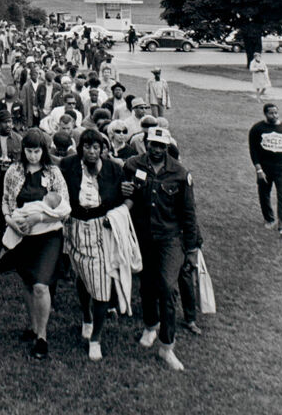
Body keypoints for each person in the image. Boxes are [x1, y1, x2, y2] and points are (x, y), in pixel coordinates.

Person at [122, 126, 199, 371]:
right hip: (143, 236)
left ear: (168, 147)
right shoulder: (132, 165)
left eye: (161, 146)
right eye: (152, 144)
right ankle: (150, 325)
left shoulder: (179, 172)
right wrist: (122, 190)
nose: (156, 149)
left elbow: (188, 212)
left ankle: (167, 346)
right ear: (146, 143)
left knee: (166, 287)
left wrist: (192, 247)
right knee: (146, 284)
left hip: (170, 238)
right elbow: (124, 195)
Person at [60, 129, 134, 361]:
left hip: (101, 229)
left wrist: (117, 216)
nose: (92, 152)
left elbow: (129, 198)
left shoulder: (114, 170)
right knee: (82, 278)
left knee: (102, 286)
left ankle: (96, 339)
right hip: (74, 228)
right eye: (87, 147)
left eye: (96, 147)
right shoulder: (68, 165)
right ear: (80, 148)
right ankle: (86, 318)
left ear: (103, 149)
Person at [1, 128, 70, 360]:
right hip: (23, 236)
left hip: (48, 236)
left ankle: (42, 336)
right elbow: (6, 203)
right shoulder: (14, 171)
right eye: (29, 151)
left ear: (44, 151)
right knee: (29, 283)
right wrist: (12, 222)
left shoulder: (53, 173)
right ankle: (32, 326)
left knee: (41, 285)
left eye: (37, 151)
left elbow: (63, 208)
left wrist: (39, 217)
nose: (33, 156)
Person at [248, 103, 282, 241]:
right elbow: (253, 150)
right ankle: (269, 219)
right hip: (265, 169)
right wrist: (259, 169)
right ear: (265, 114)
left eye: (276, 112)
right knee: (264, 194)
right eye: (271, 113)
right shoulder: (257, 129)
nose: (274, 115)